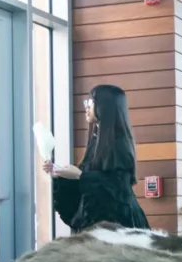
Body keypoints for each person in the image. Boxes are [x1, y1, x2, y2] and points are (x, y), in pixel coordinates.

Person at [46, 85, 148, 234]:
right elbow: (90, 181)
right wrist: (60, 174)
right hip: (99, 219)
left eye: (90, 102)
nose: (86, 107)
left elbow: (118, 186)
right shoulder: (96, 140)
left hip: (118, 222)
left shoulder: (119, 143)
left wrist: (81, 176)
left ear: (104, 106)